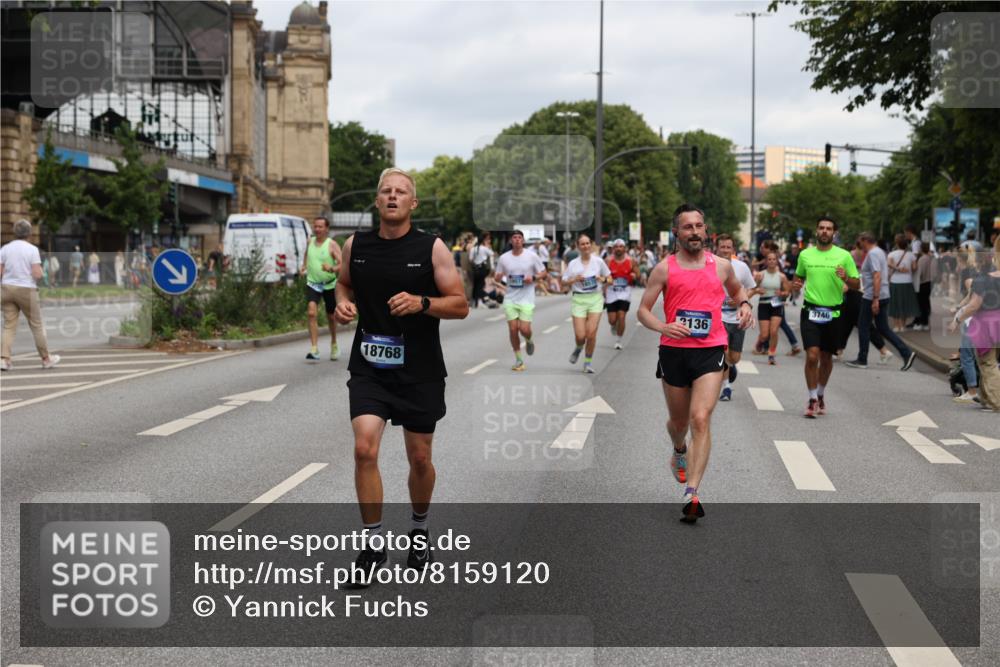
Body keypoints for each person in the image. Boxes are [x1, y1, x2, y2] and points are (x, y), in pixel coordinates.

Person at [333, 168, 468, 582]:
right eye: (386, 192)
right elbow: (343, 284)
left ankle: (420, 528)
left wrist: (422, 302)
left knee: (420, 458)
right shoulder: (355, 245)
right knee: (364, 449)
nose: (393, 197)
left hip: (420, 369)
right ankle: (373, 545)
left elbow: (460, 304)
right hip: (370, 366)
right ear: (377, 202)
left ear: (413, 204)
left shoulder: (433, 248)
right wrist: (341, 304)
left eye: (401, 192)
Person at [637, 204, 755, 522]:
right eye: (687, 227)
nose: (694, 232)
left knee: (700, 418)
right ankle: (679, 449)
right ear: (677, 232)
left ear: (706, 230)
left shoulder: (722, 266)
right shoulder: (663, 269)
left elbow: (737, 290)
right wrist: (663, 326)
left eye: (699, 226)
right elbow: (643, 310)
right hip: (674, 351)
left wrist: (744, 304)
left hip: (710, 348)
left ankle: (692, 493)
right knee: (679, 424)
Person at [792, 217, 860, 418]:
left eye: (828, 229)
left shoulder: (844, 256)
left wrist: (845, 278)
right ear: (816, 231)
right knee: (812, 355)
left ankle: (821, 393)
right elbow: (798, 278)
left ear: (834, 233)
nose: (824, 231)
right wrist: (795, 286)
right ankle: (812, 399)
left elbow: (856, 285)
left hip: (835, 312)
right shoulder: (805, 255)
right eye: (821, 228)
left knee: (826, 357)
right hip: (811, 310)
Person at [845, 232, 917, 371]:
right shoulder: (880, 252)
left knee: (863, 326)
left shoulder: (872, 254)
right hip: (882, 294)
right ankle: (907, 353)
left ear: (866, 241)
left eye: (860, 242)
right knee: (883, 328)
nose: (859, 246)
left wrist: (875, 299)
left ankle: (862, 359)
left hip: (872, 295)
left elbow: (876, 276)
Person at [0, 220, 61, 371]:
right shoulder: (32, 250)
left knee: (9, 326)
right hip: (26, 289)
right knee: (36, 325)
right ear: (30, 233)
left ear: (15, 232)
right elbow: (37, 274)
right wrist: (41, 273)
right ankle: (46, 359)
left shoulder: (5, 249)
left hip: (6, 288)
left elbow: (0, 271)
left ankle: (4, 360)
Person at [949, 237, 1000, 411]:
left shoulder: (981, 279)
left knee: (987, 364)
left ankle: (996, 400)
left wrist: (957, 318)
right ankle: (987, 399)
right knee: (989, 363)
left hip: (985, 324)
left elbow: (974, 304)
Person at [494, 229, 546, 371]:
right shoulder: (504, 258)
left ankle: (529, 340)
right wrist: (498, 278)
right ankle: (519, 360)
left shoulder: (532, 256)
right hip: (510, 297)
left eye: (519, 237)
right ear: (511, 241)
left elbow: (543, 272)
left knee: (524, 329)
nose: (517, 240)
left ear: (523, 240)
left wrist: (534, 278)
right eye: (514, 237)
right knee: (513, 329)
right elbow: (497, 275)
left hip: (527, 298)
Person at [714, 234, 756, 401]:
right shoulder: (710, 266)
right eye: (722, 247)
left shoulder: (741, 267)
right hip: (718, 317)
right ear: (716, 248)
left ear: (733, 249)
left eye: (728, 247)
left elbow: (752, 288)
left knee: (734, 357)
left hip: (738, 318)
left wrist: (741, 300)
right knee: (722, 352)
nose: (725, 250)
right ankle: (727, 388)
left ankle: (731, 367)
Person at [564, 233, 611, 373]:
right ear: (578, 247)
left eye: (587, 243)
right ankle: (579, 348)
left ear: (591, 245)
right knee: (580, 335)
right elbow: (563, 281)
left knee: (591, 334)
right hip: (579, 299)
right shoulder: (573, 264)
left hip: (595, 298)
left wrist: (601, 279)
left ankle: (587, 362)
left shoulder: (598, 262)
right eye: (582, 244)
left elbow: (610, 279)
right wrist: (573, 280)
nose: (585, 246)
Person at [301, 216, 342, 361]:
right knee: (311, 312)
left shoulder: (332, 245)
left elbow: (341, 264)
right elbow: (306, 255)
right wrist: (304, 266)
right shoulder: (310, 242)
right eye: (315, 226)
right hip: (313, 283)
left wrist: (331, 268)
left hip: (329, 284)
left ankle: (334, 342)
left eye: (320, 227)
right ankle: (314, 348)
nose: (317, 229)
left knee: (331, 316)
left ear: (326, 229)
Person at [753, 250, 793, 365]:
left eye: (773, 259)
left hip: (777, 305)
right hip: (763, 305)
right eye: (769, 259)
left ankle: (771, 354)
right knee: (765, 334)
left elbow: (787, 292)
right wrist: (757, 289)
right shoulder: (761, 275)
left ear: (777, 261)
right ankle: (760, 342)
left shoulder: (781, 276)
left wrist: (783, 293)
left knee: (774, 331)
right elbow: (752, 288)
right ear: (766, 261)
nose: (771, 261)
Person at [604, 238, 637, 350]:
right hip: (611, 293)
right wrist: (606, 280)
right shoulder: (608, 261)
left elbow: (637, 273)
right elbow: (602, 275)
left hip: (625, 293)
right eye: (616, 247)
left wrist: (634, 276)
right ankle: (613, 325)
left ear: (624, 248)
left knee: (622, 316)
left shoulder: (631, 261)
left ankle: (619, 341)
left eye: (621, 246)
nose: (618, 249)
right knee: (612, 320)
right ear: (613, 249)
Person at [887, 234, 919, 331]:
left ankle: (896, 326)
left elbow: (888, 264)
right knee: (905, 303)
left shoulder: (891, 254)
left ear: (896, 243)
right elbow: (914, 268)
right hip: (907, 281)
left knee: (894, 303)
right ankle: (903, 325)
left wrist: (898, 268)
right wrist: (907, 268)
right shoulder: (911, 255)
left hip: (895, 281)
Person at [912, 241, 935, 330]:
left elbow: (919, 273)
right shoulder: (931, 258)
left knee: (921, 304)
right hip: (929, 282)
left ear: (921, 249)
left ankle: (922, 323)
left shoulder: (922, 259)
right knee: (926, 303)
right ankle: (926, 323)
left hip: (922, 283)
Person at [469, 231, 494, 308]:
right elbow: (492, 254)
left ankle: (474, 301)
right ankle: (483, 299)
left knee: (475, 285)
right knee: (481, 285)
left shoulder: (473, 249)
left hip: (475, 268)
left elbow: (470, 259)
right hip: (483, 268)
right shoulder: (484, 248)